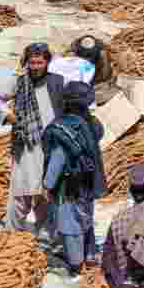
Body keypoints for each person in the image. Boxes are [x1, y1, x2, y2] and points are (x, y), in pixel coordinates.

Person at [0, 43, 65, 239]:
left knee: (46, 188)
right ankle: (13, 229)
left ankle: (46, 229)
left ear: (47, 62)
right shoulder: (18, 82)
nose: (35, 66)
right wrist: (9, 115)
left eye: (40, 62)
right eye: (32, 62)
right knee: (21, 187)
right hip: (26, 144)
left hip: (50, 144)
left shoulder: (57, 82)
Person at [42, 81, 106, 275]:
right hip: (88, 182)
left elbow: (57, 160)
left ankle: (76, 263)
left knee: (70, 225)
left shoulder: (62, 128)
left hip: (68, 186)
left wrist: (47, 184)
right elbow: (99, 135)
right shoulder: (92, 124)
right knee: (86, 218)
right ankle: (89, 255)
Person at [70, 35, 120, 104]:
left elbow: (105, 72)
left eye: (89, 56)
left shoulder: (102, 53)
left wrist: (101, 80)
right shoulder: (75, 47)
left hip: (98, 78)